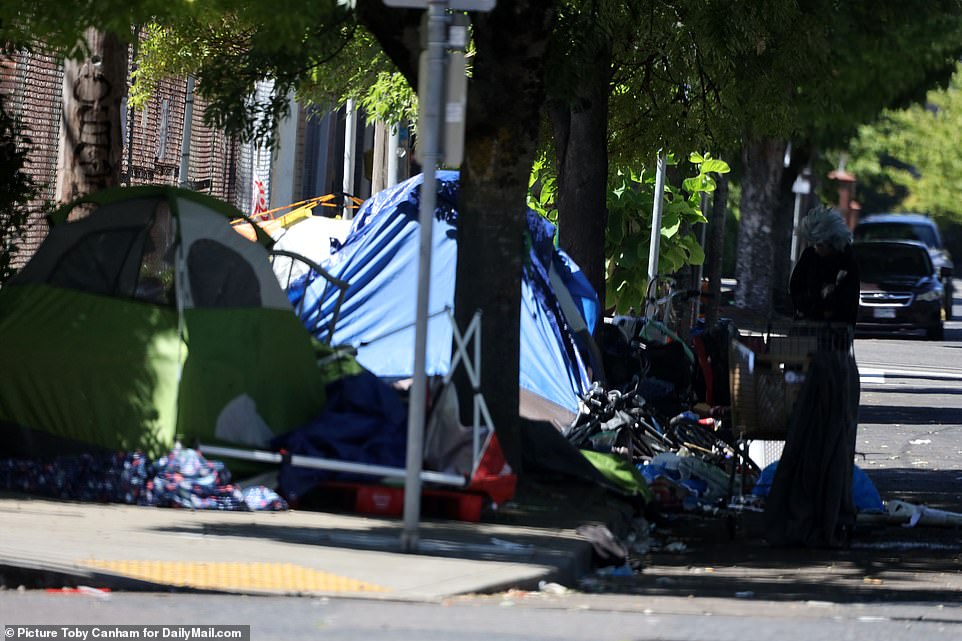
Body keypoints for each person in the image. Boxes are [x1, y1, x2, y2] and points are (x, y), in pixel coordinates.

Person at [789, 205, 859, 327]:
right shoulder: (810, 256)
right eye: (814, 244)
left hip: (836, 328)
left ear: (832, 243)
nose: (817, 249)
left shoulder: (847, 261)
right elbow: (796, 285)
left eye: (820, 245)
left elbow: (849, 297)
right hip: (807, 323)